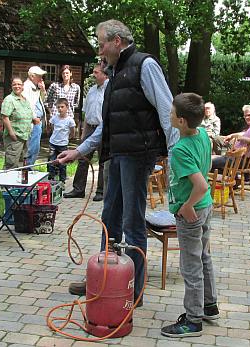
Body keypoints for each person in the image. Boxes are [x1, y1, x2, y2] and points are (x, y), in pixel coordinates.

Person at [57, 19, 179, 304]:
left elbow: (167, 110)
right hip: (117, 155)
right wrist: (79, 151)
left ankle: (131, 291)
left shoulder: (144, 65)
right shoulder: (115, 74)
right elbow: (107, 125)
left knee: (132, 222)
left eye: (101, 44)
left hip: (138, 156)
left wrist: (175, 157)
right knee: (109, 218)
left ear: (117, 41)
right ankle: (103, 279)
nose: (99, 51)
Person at [160, 93, 216, 338]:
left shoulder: (182, 149)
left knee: (190, 265)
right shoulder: (202, 134)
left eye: (171, 112)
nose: (169, 115)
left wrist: (187, 206)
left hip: (192, 211)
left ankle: (193, 320)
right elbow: (207, 165)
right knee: (203, 257)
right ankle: (209, 305)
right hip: (206, 207)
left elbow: (201, 185)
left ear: (181, 121)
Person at [63, 64, 108, 202]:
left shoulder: (109, 90)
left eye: (96, 72)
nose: (93, 75)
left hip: (104, 129)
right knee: (82, 158)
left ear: (104, 74)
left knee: (102, 160)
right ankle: (78, 189)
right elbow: (86, 114)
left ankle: (101, 191)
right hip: (90, 128)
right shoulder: (92, 91)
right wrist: (83, 133)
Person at [211, 104, 250, 171]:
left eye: (249, 115)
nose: (246, 117)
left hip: (242, 161)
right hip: (241, 159)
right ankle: (225, 176)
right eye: (245, 116)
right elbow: (246, 134)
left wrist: (241, 138)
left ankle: (219, 178)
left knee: (209, 162)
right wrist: (232, 135)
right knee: (213, 159)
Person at [1, 77, 34, 170]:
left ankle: (17, 183)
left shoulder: (25, 99)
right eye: (14, 84)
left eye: (19, 84)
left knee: (21, 163)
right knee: (11, 163)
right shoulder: (9, 99)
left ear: (23, 86)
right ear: (11, 86)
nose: (17, 86)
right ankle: (7, 183)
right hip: (15, 137)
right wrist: (12, 133)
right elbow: (5, 117)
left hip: (24, 136)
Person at [23, 66, 47, 166]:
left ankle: (29, 167)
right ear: (32, 76)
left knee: (35, 147)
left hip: (38, 121)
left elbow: (42, 101)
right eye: (39, 76)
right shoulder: (27, 87)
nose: (41, 78)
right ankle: (28, 168)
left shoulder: (35, 87)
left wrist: (42, 90)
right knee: (32, 147)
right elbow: (27, 105)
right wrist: (34, 118)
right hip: (33, 121)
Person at [47, 98, 76, 182]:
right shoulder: (54, 118)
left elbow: (72, 131)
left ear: (67, 107)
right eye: (58, 107)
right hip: (53, 143)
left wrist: (69, 137)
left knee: (62, 163)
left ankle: (62, 180)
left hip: (63, 145)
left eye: (62, 107)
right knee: (51, 161)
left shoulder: (70, 120)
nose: (60, 109)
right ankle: (50, 178)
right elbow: (52, 127)